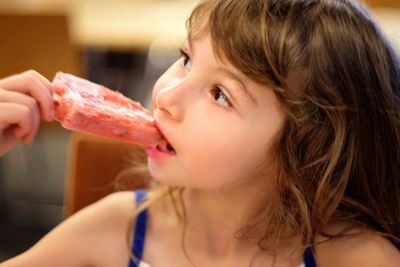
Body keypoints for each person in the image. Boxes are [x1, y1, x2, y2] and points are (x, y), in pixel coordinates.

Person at [1, 0, 400, 266]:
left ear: (306, 146)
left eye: (220, 95)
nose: (167, 96)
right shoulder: (117, 231)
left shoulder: (358, 258)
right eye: (186, 59)